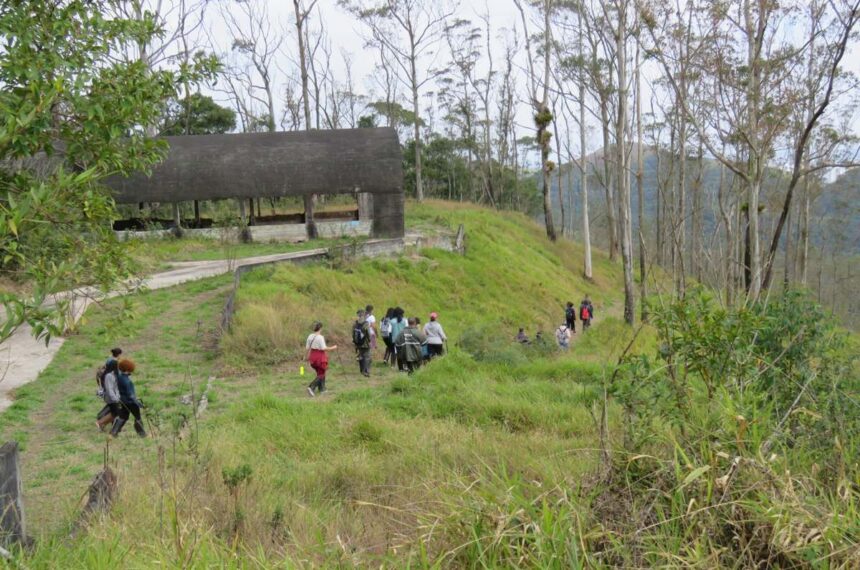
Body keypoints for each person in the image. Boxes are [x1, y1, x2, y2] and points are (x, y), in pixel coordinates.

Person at [112, 358, 146, 438]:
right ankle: (142, 434)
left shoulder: (119, 377)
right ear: (128, 369)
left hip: (122, 401)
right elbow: (130, 395)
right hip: (130, 402)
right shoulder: (127, 381)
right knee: (137, 417)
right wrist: (138, 403)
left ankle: (114, 432)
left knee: (123, 417)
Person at [306, 321, 338, 396]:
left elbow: (307, 348)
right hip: (319, 357)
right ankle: (311, 387)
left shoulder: (310, 336)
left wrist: (307, 357)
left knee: (320, 372)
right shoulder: (320, 337)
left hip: (312, 356)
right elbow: (324, 348)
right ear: (320, 328)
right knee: (322, 373)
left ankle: (322, 389)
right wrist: (334, 347)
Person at [96, 359, 121, 431]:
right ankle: (100, 422)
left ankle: (102, 423)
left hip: (113, 397)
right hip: (111, 398)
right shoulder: (109, 376)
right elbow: (110, 389)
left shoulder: (112, 374)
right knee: (115, 412)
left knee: (115, 412)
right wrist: (115, 398)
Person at [353, 309, 372, 377]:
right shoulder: (366, 323)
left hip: (358, 343)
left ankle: (361, 370)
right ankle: (366, 371)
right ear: (363, 315)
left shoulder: (355, 323)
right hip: (365, 343)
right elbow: (368, 333)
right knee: (367, 357)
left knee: (361, 356)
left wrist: (355, 343)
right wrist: (370, 340)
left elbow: (353, 334)